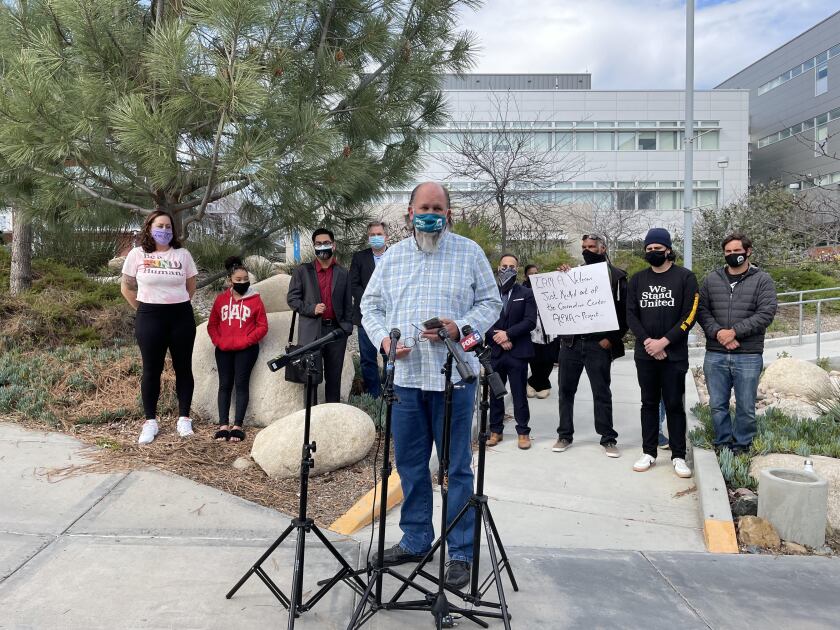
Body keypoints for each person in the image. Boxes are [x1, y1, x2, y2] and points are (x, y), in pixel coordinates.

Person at [361, 181, 502, 589]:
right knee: (410, 464)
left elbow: (491, 302)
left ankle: (459, 551)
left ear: (448, 213)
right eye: (424, 207)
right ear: (409, 213)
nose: (430, 214)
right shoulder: (392, 258)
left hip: (455, 378)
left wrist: (461, 327)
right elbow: (370, 306)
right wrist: (386, 341)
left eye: (438, 208)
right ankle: (417, 539)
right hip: (406, 379)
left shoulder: (470, 253)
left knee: (457, 467)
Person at [120, 210, 198, 444]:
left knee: (183, 368)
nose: (164, 230)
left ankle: (184, 418)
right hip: (149, 316)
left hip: (180, 316)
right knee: (151, 370)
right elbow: (126, 288)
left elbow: (190, 286)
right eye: (159, 226)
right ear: (149, 228)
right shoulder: (137, 254)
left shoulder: (182, 254)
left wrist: (175, 305)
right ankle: (150, 422)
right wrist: (145, 310)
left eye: (168, 227)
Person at [626, 228, 699, 478]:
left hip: (674, 356)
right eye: (649, 249)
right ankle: (649, 451)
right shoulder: (637, 280)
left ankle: (678, 455)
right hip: (645, 354)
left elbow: (690, 315)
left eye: (657, 248)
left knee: (674, 404)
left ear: (668, 249)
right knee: (648, 403)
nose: (653, 252)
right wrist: (649, 342)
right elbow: (631, 314)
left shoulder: (686, 278)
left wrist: (664, 342)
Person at [697, 232, 777, 454]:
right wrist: (719, 334)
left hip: (748, 354)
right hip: (716, 352)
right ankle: (722, 442)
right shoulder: (712, 279)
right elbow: (702, 310)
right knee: (717, 405)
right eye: (728, 252)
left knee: (746, 406)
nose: (733, 255)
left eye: (737, 251)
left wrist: (734, 333)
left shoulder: (762, 280)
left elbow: (766, 313)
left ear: (748, 251)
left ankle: (742, 445)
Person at [552, 234, 628, 458]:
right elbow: (560, 301)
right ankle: (564, 435)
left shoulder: (617, 276)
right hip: (571, 343)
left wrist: (611, 339)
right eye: (584, 247)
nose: (587, 250)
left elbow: (625, 313)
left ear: (602, 248)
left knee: (601, 392)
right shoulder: (573, 274)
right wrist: (561, 277)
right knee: (565, 391)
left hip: (599, 345)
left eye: (592, 247)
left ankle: (608, 438)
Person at [286, 228, 353, 403]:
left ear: (334, 245)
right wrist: (311, 308)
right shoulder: (303, 271)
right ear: (314, 246)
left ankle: (330, 421)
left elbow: (348, 303)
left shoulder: (343, 273)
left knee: (334, 379)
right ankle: (310, 423)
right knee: (310, 379)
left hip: (336, 333)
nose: (322, 246)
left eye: (326, 242)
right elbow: (292, 299)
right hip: (311, 332)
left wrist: (346, 328)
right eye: (318, 243)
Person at [207, 257, 269, 442]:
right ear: (230, 281)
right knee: (224, 385)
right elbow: (213, 324)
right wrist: (219, 341)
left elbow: (262, 326)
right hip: (224, 349)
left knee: (241, 385)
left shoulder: (255, 300)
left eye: (245, 279)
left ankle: (237, 426)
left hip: (246, 350)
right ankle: (223, 425)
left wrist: (247, 341)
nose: (243, 282)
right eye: (238, 280)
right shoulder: (221, 300)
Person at [486, 254, 537, 450]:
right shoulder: (489, 294)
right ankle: (495, 430)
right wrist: (497, 338)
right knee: (495, 394)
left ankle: (523, 432)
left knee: (518, 395)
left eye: (512, 266)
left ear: (517, 269)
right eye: (504, 266)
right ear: (498, 267)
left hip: (518, 352)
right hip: (495, 353)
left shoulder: (526, 293)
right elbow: (483, 319)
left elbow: (530, 321)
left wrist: (508, 335)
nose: (507, 269)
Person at [350, 221, 389, 398]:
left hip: (391, 316)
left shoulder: (395, 255)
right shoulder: (359, 257)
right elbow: (353, 284)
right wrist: (370, 298)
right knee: (367, 358)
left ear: (386, 236)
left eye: (379, 234)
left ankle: (390, 392)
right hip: (365, 316)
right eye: (372, 235)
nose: (375, 237)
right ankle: (374, 395)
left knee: (391, 356)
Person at [523, 264, 559, 399]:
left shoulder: (547, 287)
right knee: (535, 358)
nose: (534, 276)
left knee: (549, 358)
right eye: (531, 274)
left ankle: (534, 383)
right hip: (533, 330)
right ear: (525, 276)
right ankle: (541, 385)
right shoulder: (523, 290)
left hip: (550, 328)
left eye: (536, 273)